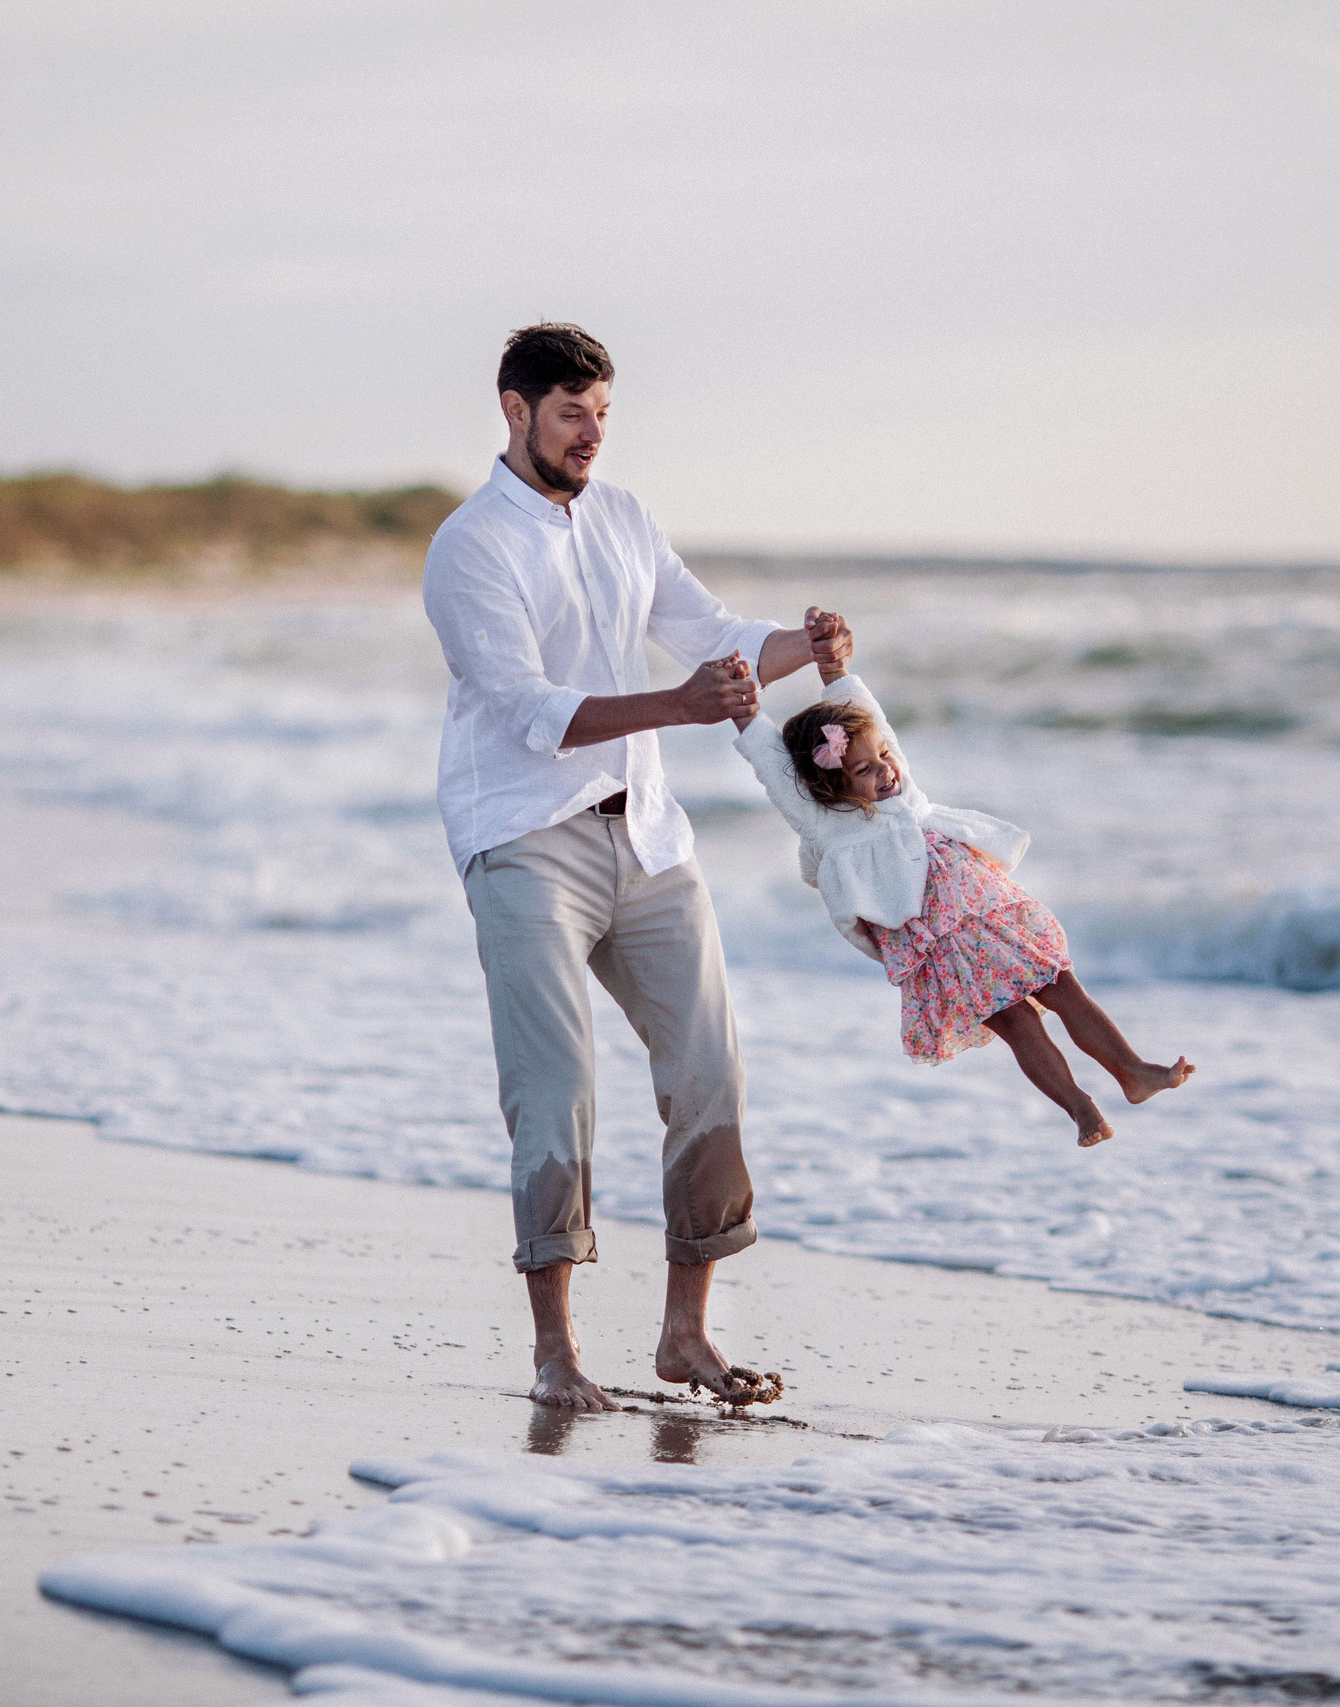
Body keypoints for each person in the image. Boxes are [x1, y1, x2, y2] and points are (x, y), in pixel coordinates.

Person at [423, 322, 851, 1412]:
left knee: (710, 1070)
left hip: (648, 836)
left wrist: (805, 646)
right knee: (555, 1090)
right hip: (523, 840)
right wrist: (679, 703)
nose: (590, 435)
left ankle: (685, 1338)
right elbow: (524, 711)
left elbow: (707, 631)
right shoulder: (470, 547)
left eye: (603, 413)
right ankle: (556, 1353)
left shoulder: (623, 517)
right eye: (571, 414)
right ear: (514, 413)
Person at [732, 649, 1193, 1147]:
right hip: (940, 948)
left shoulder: (902, 790)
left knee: (1063, 987)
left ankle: (1132, 1072)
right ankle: (1080, 1107)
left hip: (987, 915)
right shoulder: (829, 823)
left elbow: (871, 717)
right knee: (1017, 1023)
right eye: (865, 769)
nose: (886, 770)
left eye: (884, 755)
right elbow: (776, 772)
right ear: (829, 787)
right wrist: (745, 711)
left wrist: (834, 671)